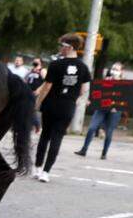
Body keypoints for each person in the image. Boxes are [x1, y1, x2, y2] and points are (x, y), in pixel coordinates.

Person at [33, 35, 91, 182]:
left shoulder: (56, 65)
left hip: (51, 104)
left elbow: (46, 87)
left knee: (45, 136)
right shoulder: (83, 67)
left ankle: (37, 168)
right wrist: (75, 100)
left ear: (70, 47)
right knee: (57, 138)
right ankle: (46, 172)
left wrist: (38, 103)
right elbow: (84, 89)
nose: (60, 48)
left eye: (62, 45)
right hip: (67, 107)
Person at [75, 61, 126, 160]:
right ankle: (84, 150)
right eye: (113, 69)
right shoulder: (106, 80)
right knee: (92, 128)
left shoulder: (124, 84)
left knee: (109, 132)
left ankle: (104, 153)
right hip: (102, 108)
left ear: (121, 72)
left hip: (114, 111)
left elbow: (126, 99)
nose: (114, 71)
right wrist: (91, 100)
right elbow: (98, 93)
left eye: (116, 69)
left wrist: (118, 106)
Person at [25, 58, 45, 133]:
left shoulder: (42, 70)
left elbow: (46, 81)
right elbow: (26, 79)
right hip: (28, 92)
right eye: (34, 61)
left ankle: (37, 125)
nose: (34, 62)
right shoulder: (31, 70)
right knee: (27, 108)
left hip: (36, 92)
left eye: (36, 61)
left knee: (33, 109)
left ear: (40, 63)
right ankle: (29, 126)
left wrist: (39, 90)